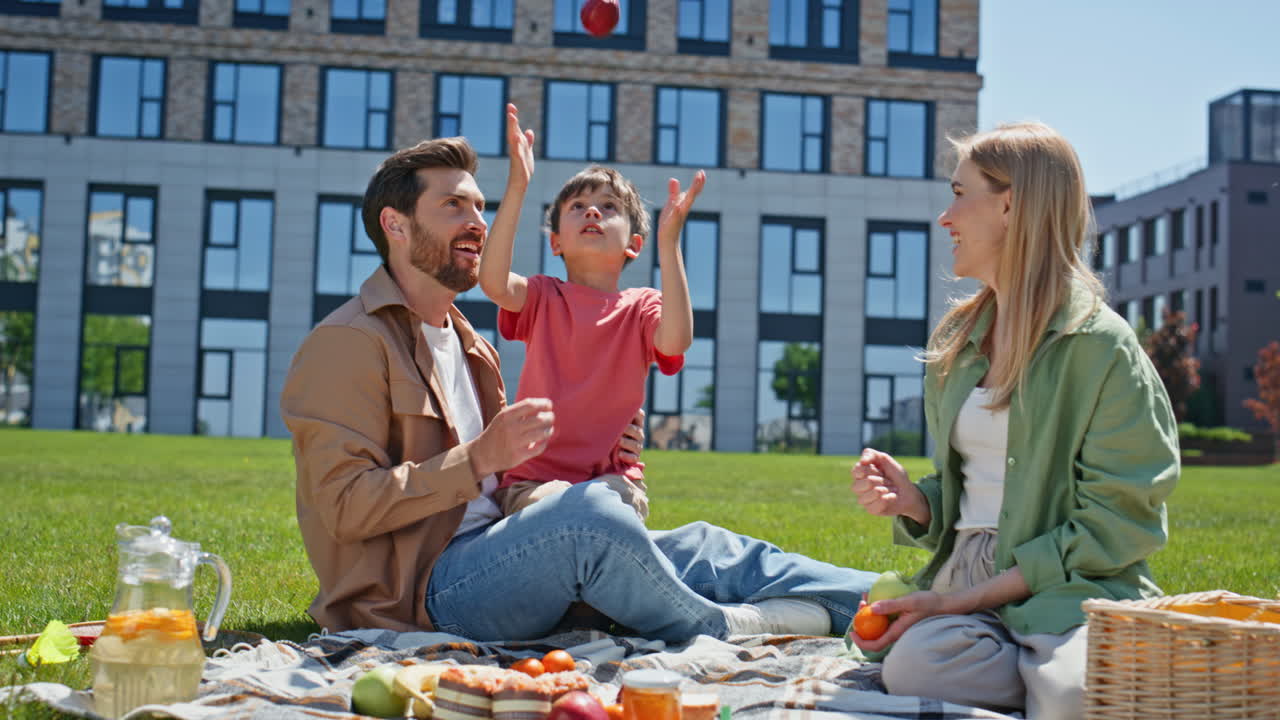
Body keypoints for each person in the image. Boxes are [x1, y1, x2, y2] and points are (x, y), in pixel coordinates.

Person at [280, 133, 878, 643]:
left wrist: (601, 433)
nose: (477, 222)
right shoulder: (349, 342)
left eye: (481, 206)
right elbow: (344, 508)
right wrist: (481, 458)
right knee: (589, 517)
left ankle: (895, 604)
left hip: (511, 544)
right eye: (453, 206)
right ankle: (726, 627)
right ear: (396, 224)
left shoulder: (468, 344)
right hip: (424, 593)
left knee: (708, 546)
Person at [848, 122, 1178, 720]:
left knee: (1071, 696)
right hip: (965, 584)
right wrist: (917, 504)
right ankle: (1051, 678)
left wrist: (964, 602)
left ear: (1011, 206)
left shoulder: (1102, 348)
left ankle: (1060, 677)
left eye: (959, 194)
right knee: (914, 667)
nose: (945, 217)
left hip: (1069, 593)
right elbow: (974, 489)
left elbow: (1120, 522)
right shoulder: (958, 339)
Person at [479, 104, 700, 518]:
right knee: (557, 511)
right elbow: (492, 281)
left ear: (634, 245)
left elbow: (676, 340)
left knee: (598, 506)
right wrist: (518, 187)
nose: (593, 211)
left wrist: (670, 244)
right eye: (577, 206)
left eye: (609, 207)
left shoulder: (642, 307)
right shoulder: (543, 297)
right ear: (556, 242)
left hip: (613, 481)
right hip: (533, 482)